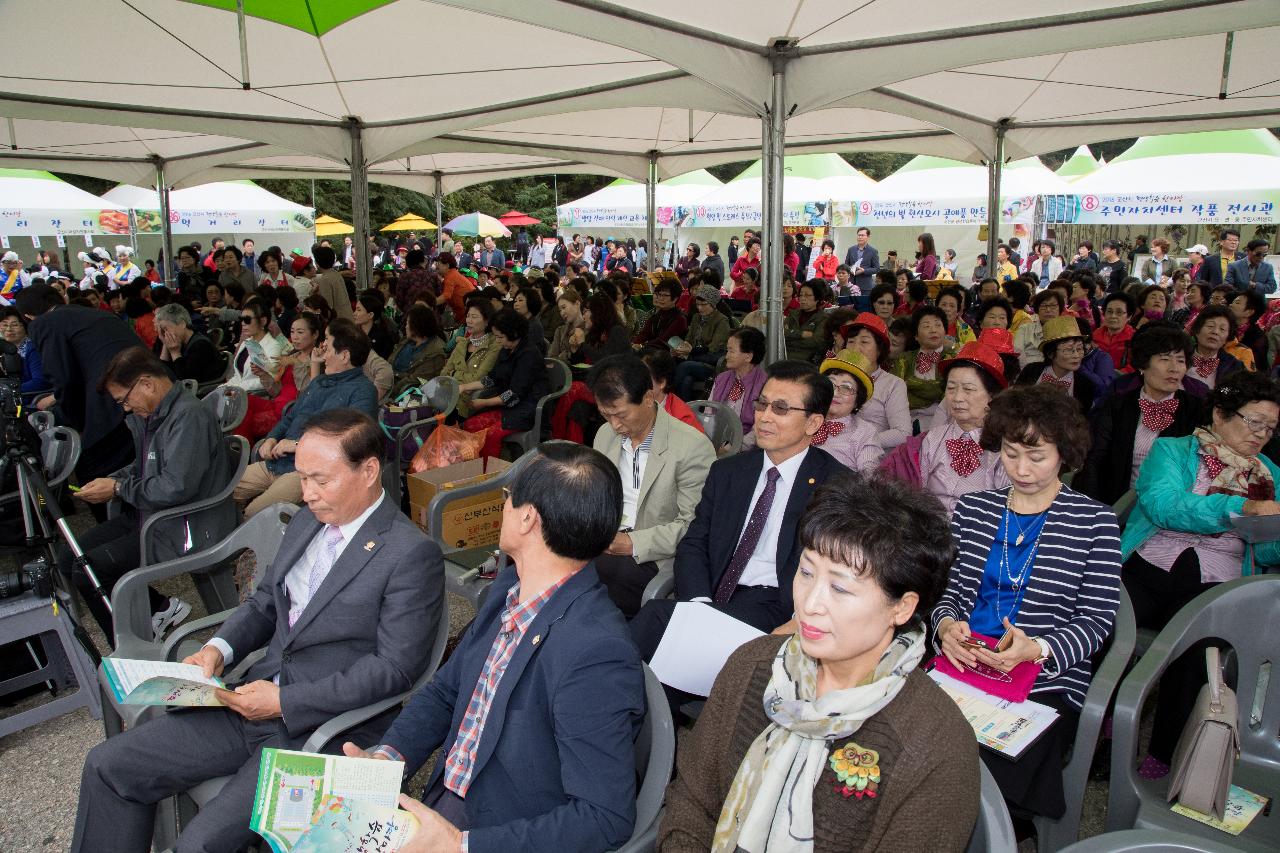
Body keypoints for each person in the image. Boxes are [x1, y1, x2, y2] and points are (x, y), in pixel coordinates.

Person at [72, 409, 444, 853]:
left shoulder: (409, 553)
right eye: (302, 478)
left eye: (321, 480)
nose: (307, 494)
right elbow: (267, 600)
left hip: (325, 728)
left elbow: (395, 669)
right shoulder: (310, 520)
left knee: (199, 846)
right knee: (109, 766)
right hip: (250, 700)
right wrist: (218, 649)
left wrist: (285, 701)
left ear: (367, 471)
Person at [659, 471, 980, 853]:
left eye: (840, 588)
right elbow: (691, 803)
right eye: (806, 572)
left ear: (902, 607)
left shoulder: (934, 745)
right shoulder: (750, 667)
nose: (810, 604)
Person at [347, 443, 644, 853]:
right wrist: (388, 758)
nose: (502, 506)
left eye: (507, 498)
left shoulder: (595, 653)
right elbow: (447, 691)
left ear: (527, 518)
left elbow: (603, 817)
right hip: (448, 808)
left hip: (497, 833)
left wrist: (460, 845)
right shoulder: (510, 588)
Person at [934, 385, 1121, 820]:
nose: (1021, 469)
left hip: (1044, 678)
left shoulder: (1094, 521)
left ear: (1064, 455)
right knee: (917, 747)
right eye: (1011, 452)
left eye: (1037, 457)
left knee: (991, 777)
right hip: (965, 661)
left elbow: (1097, 620)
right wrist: (945, 626)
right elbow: (949, 590)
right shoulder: (975, 508)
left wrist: (1038, 649)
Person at [1120, 371, 1280, 778]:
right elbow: (1163, 505)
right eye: (1254, 422)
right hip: (1151, 562)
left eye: (1271, 427)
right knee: (1108, 623)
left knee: (1201, 648)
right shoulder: (1174, 450)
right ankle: (1104, 728)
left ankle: (1163, 753)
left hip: (1217, 580)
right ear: (1221, 414)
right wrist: (1236, 510)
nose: (1261, 435)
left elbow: (1264, 551)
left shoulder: (1269, 475)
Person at [630, 360, 846, 661]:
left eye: (781, 409)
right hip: (713, 594)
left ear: (813, 423)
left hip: (775, 606)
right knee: (654, 636)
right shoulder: (729, 472)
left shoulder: (836, 486)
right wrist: (699, 602)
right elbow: (695, 542)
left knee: (661, 640)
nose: (764, 418)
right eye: (762, 405)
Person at [59, 346, 234, 640]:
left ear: (147, 384)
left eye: (124, 400)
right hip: (156, 516)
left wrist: (116, 488)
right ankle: (160, 609)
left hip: (184, 525)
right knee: (69, 555)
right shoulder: (155, 416)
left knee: (88, 571)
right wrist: (114, 479)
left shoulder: (188, 416)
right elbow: (144, 468)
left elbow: (175, 487)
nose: (125, 408)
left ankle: (131, 645)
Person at [587, 355, 715, 616]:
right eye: (605, 415)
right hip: (607, 537)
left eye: (621, 415)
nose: (614, 425)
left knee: (599, 579)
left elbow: (693, 526)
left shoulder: (691, 447)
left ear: (648, 399)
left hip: (653, 551)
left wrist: (631, 542)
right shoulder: (605, 436)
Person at [14, 283, 138, 517]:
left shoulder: (44, 324)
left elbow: (63, 378)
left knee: (90, 469)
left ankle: (117, 529)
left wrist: (75, 424)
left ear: (28, 316)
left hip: (113, 406)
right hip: (145, 397)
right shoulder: (94, 314)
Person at [233, 321, 379, 517]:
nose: (323, 352)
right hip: (276, 461)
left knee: (254, 513)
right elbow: (291, 415)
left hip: (307, 472)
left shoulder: (363, 390)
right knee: (222, 492)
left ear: (344, 355)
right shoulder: (319, 381)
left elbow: (355, 439)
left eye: (327, 347)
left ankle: (243, 544)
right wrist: (271, 438)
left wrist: (297, 444)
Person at [1076, 325, 1205, 506]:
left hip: (1172, 510)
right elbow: (1095, 461)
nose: (1174, 368)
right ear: (1143, 365)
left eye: (1181, 361)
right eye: (1165, 359)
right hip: (1118, 504)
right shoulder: (1116, 405)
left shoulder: (1197, 409)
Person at [881, 341, 1010, 513]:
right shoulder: (931, 440)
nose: (957, 397)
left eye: (968, 389)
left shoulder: (1007, 446)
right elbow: (916, 495)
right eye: (951, 388)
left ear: (992, 396)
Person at [459, 309, 550, 458]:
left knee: (491, 434)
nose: (497, 341)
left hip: (528, 408)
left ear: (513, 333)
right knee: (470, 425)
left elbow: (515, 394)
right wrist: (463, 387)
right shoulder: (506, 350)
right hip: (507, 405)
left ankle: (490, 473)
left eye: (500, 337)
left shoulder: (529, 354)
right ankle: (472, 468)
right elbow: (492, 378)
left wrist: (484, 402)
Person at [838, 312, 910, 450]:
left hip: (870, 453)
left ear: (879, 349)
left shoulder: (893, 384)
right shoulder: (835, 379)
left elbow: (902, 433)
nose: (855, 348)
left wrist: (859, 442)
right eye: (851, 341)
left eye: (864, 342)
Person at [806, 348, 883, 471]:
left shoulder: (865, 432)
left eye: (847, 388)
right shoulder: (803, 417)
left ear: (857, 400)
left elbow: (869, 481)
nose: (835, 392)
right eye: (830, 384)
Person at [1016, 316, 1098, 412]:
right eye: (1069, 350)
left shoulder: (1085, 385)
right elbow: (1016, 402)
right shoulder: (1031, 371)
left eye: (1079, 349)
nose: (1076, 355)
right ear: (1050, 353)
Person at [892, 305, 956, 426]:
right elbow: (896, 395)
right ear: (916, 335)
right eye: (926, 326)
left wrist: (910, 383)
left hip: (944, 423)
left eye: (938, 325)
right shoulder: (904, 359)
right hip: (906, 421)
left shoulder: (953, 359)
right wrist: (934, 394)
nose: (933, 330)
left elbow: (947, 394)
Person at [441, 300, 501, 418]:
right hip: (448, 396)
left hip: (468, 401)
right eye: (468, 316)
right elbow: (444, 373)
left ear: (487, 321)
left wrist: (453, 373)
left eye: (474, 317)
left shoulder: (494, 346)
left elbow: (478, 378)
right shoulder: (462, 344)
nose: (469, 320)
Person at [672, 284, 731, 399]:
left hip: (711, 364)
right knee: (687, 380)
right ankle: (684, 411)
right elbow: (688, 339)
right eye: (698, 304)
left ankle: (667, 395)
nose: (700, 308)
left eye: (704, 305)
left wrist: (690, 352)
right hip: (692, 359)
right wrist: (680, 349)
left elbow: (713, 349)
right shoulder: (696, 318)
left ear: (713, 304)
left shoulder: (722, 321)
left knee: (685, 367)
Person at [710, 326, 768, 441]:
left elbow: (761, 427)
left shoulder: (765, 385)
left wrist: (734, 447)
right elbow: (709, 413)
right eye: (727, 350)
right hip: (717, 439)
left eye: (731, 351)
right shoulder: (721, 379)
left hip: (746, 447)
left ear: (748, 356)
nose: (726, 356)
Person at [152, 303, 223, 384]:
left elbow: (186, 381)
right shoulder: (181, 343)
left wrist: (175, 353)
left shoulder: (200, 345)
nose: (165, 334)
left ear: (182, 324)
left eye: (165, 329)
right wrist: (165, 344)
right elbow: (164, 375)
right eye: (162, 331)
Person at [388, 304, 447, 397]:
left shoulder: (435, 353)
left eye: (408, 323)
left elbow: (415, 380)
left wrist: (388, 390)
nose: (405, 327)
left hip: (403, 393)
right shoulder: (407, 341)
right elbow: (390, 362)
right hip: (388, 381)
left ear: (417, 326)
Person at [1188, 305, 1244, 391]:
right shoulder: (1180, 357)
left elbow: (1233, 394)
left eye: (1222, 329)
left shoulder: (1234, 366)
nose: (1215, 332)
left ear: (1227, 338)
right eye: (1210, 326)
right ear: (1197, 331)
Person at [0, 307, 49, 394]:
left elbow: (40, 382)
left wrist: (8, 390)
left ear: (26, 326)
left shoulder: (32, 348)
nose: (8, 329)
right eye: (4, 325)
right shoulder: (6, 349)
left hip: (33, 400)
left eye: (14, 325)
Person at [783, 280, 829, 365]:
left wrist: (791, 338)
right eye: (801, 295)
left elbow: (816, 342)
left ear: (817, 298)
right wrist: (801, 334)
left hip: (807, 363)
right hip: (785, 359)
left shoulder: (823, 318)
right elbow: (782, 335)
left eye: (808, 295)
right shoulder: (793, 314)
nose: (802, 298)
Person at [634, 280, 687, 351]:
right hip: (652, 350)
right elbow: (644, 334)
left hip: (667, 355)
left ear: (675, 299)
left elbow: (663, 341)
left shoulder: (680, 318)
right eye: (660, 294)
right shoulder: (658, 315)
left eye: (665, 295)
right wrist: (634, 344)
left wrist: (641, 346)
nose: (661, 298)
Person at [1092, 292, 1135, 368]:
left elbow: (1135, 365)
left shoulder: (1134, 339)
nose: (1113, 316)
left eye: (1119, 312)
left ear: (1129, 316)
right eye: (1109, 311)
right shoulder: (1095, 335)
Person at [309, 246, 354, 320]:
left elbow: (327, 307)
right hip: (347, 317)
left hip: (338, 322)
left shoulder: (325, 279)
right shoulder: (335, 273)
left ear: (317, 263)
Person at [352, 290, 399, 359]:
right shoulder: (351, 334)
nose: (354, 313)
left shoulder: (383, 338)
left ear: (370, 315)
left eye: (359, 310)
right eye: (355, 309)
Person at [547, 288, 585, 362]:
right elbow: (551, 360)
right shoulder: (560, 331)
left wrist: (563, 355)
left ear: (577, 304)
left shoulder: (588, 329)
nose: (562, 313)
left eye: (564, 307)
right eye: (560, 310)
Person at [844, 226, 880, 293]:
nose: (860, 237)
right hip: (851, 284)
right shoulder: (851, 249)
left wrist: (864, 270)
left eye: (862, 235)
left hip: (865, 286)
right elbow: (846, 265)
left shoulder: (873, 251)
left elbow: (877, 269)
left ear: (868, 237)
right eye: (859, 235)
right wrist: (850, 269)